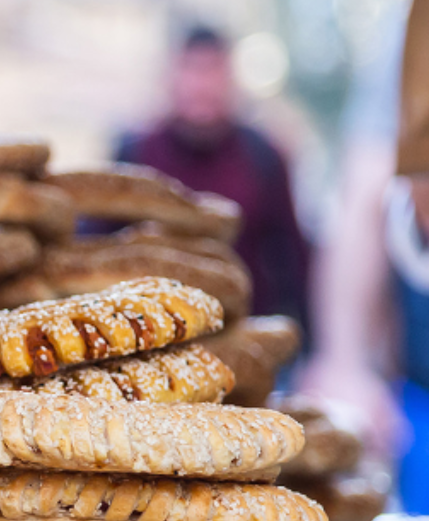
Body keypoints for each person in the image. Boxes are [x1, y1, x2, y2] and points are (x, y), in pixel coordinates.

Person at [117, 26, 314, 335]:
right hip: (148, 335)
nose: (202, 86)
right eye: (193, 70)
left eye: (213, 71)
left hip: (242, 333)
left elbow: (293, 253)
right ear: (172, 77)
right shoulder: (133, 153)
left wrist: (313, 345)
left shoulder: (263, 155)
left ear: (231, 79)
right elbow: (95, 243)